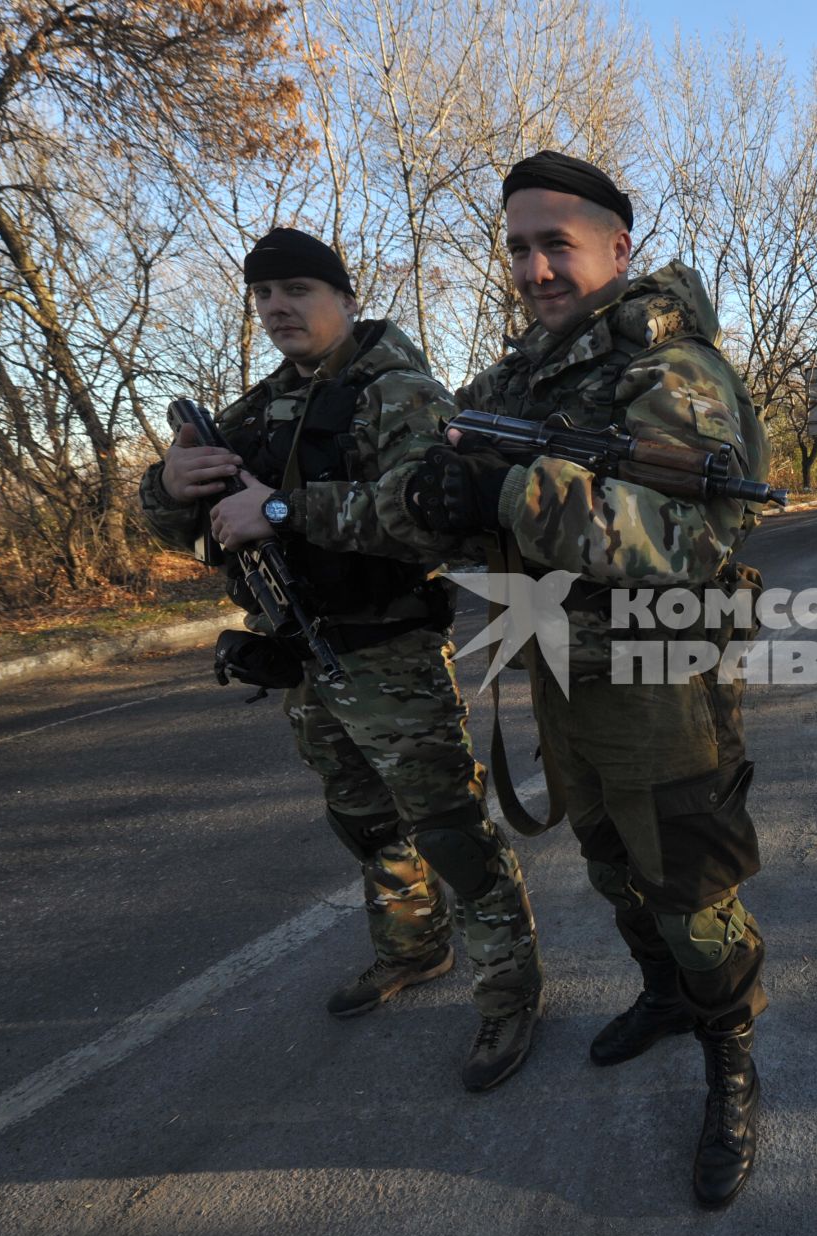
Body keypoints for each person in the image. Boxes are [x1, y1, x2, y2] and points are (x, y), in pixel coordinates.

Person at [392, 152, 770, 1208]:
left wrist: (511, 489)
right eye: (517, 245)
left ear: (618, 245)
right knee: (608, 858)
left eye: (556, 241)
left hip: (658, 675)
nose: (535, 266)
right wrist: (439, 480)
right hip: (563, 663)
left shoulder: (674, 372)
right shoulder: (529, 371)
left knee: (692, 889)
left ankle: (730, 1056)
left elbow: (686, 538)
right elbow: (441, 448)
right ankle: (660, 995)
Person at [137, 227, 544, 1092]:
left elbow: (427, 516)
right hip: (303, 651)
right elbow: (185, 511)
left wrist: (281, 511)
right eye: (265, 296)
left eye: (298, 290)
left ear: (344, 299)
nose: (279, 307)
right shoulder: (264, 405)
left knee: (450, 831)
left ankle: (509, 990)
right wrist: (165, 489)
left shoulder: (399, 392)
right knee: (365, 819)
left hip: (390, 650)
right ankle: (412, 947)